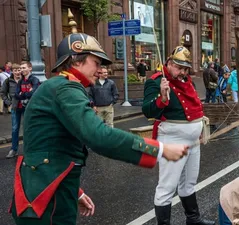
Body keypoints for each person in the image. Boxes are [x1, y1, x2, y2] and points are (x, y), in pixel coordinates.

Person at [9, 32, 189, 225]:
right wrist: (159, 149)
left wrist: (75, 192)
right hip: (47, 198)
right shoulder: (66, 89)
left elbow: (47, 146)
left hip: (48, 188)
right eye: (96, 62)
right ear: (76, 61)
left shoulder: (59, 86)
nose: (100, 69)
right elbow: (99, 136)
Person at [142, 45, 215, 225]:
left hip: (193, 141)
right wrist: (163, 99)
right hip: (172, 140)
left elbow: (193, 107)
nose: (182, 72)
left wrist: (197, 128)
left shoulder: (186, 80)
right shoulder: (156, 81)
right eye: (178, 67)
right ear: (168, 62)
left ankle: (193, 219)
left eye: (185, 68)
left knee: (189, 182)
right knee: (167, 187)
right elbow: (147, 110)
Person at [1, 64, 22, 158]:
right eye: (15, 70)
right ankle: (14, 149)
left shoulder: (25, 80)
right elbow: (3, 92)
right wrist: (8, 102)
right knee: (15, 129)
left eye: (19, 70)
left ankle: (30, 149)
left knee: (28, 128)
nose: (17, 72)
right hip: (14, 108)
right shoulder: (8, 81)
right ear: (12, 71)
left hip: (26, 107)